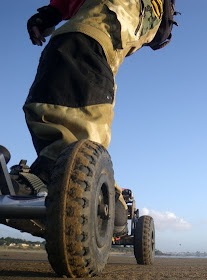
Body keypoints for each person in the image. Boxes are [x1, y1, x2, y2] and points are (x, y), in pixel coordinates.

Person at [12, 0, 174, 236]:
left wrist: (49, 15)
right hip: (112, 34)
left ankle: (63, 176)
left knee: (76, 50)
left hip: (100, 27)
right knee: (81, 62)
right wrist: (48, 15)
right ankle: (106, 197)